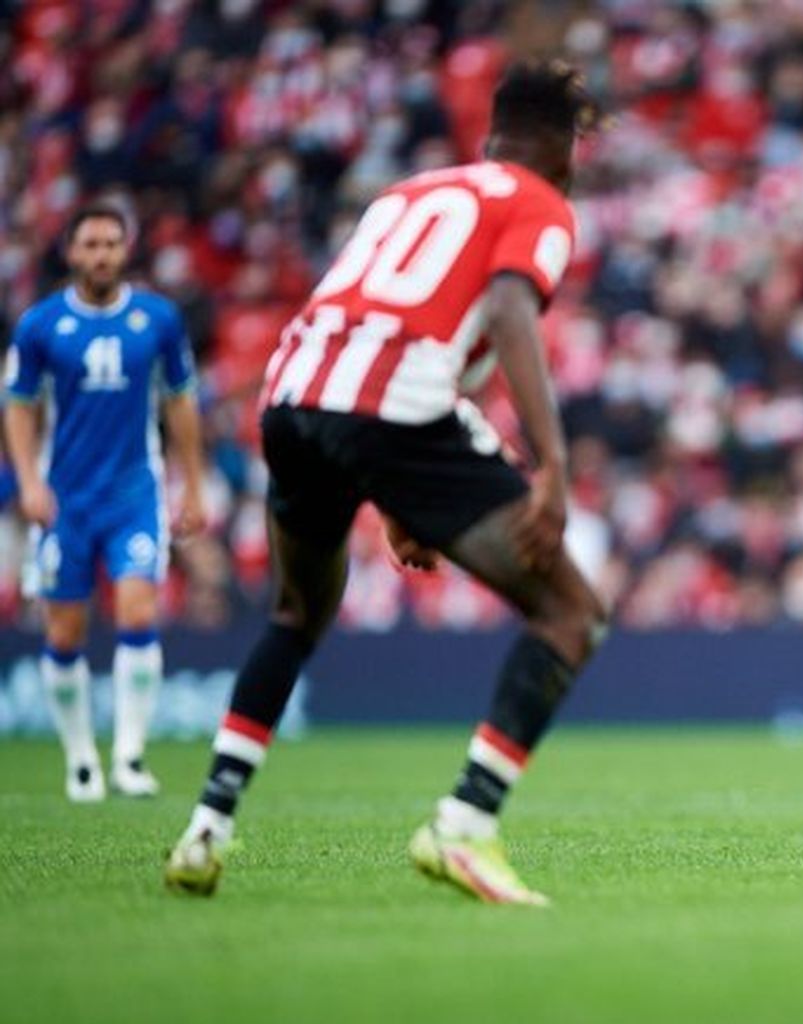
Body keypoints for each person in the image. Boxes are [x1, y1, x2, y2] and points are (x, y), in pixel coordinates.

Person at [163, 60, 607, 905]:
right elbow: (511, 311)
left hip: (292, 399)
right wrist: (551, 465)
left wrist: (402, 495)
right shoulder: (539, 201)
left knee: (295, 615)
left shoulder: (405, 193)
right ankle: (464, 827)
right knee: (572, 611)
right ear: (559, 143)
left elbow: (399, 322)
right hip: (390, 410)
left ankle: (206, 827)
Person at [3, 205, 206, 802]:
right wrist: (29, 483)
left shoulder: (158, 320)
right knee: (65, 631)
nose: (102, 255)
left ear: (126, 250)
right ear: (70, 252)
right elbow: (17, 405)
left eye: (112, 243)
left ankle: (130, 755)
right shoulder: (40, 326)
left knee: (139, 612)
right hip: (64, 500)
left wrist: (190, 485)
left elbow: (181, 402)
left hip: (133, 495)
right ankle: (81, 757)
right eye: (91, 244)